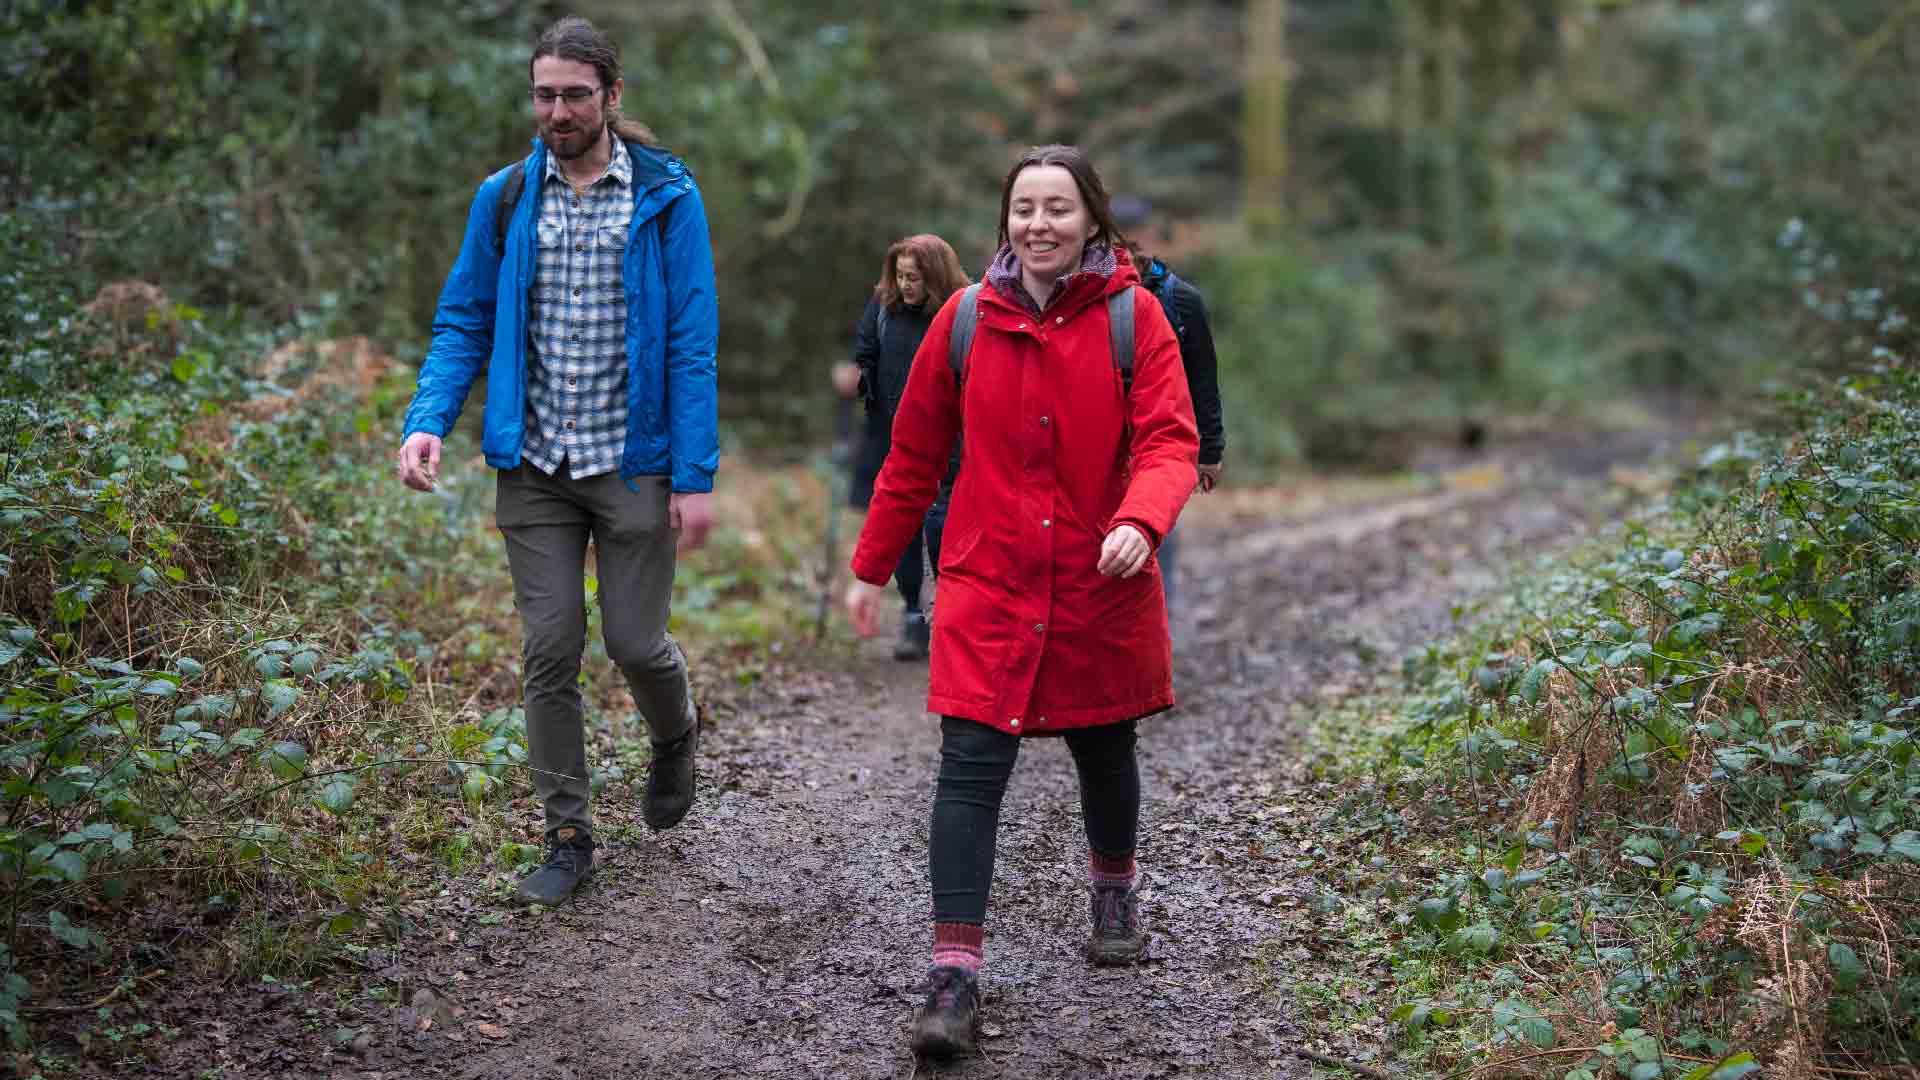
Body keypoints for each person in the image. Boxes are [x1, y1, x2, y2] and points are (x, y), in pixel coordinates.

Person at [843, 145, 1199, 1058]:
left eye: (1059, 209)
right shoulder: (964, 320)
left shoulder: (1137, 317)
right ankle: (953, 974)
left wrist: (1142, 520)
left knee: (1103, 737)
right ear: (1004, 221)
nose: (1039, 225)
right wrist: (871, 569)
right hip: (988, 576)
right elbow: (912, 454)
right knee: (969, 762)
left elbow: (1170, 441)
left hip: (1098, 575)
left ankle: (1112, 883)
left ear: (1092, 221)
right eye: (1024, 208)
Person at [396, 15, 719, 908]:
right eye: (545, 94)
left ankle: (674, 732)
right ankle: (568, 833)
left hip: (633, 462)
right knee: (549, 648)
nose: (559, 110)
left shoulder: (666, 198)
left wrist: (694, 477)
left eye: (577, 94)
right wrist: (429, 419)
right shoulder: (504, 198)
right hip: (533, 462)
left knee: (634, 642)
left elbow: (692, 341)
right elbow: (463, 320)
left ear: (612, 96)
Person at [830, 235, 971, 660]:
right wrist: (856, 376)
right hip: (892, 437)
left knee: (942, 528)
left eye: (915, 277)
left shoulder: (960, 310)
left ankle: (955, 615)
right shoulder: (883, 307)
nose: (906, 285)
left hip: (952, 442)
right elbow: (865, 352)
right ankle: (914, 614)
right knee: (902, 530)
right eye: (901, 276)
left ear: (936, 276)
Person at [1112, 197, 1225, 623]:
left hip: (1163, 432)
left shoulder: (1181, 300)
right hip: (1104, 429)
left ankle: (1157, 598)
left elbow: (1203, 377)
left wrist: (1210, 449)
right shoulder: (1089, 293)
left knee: (1158, 517)